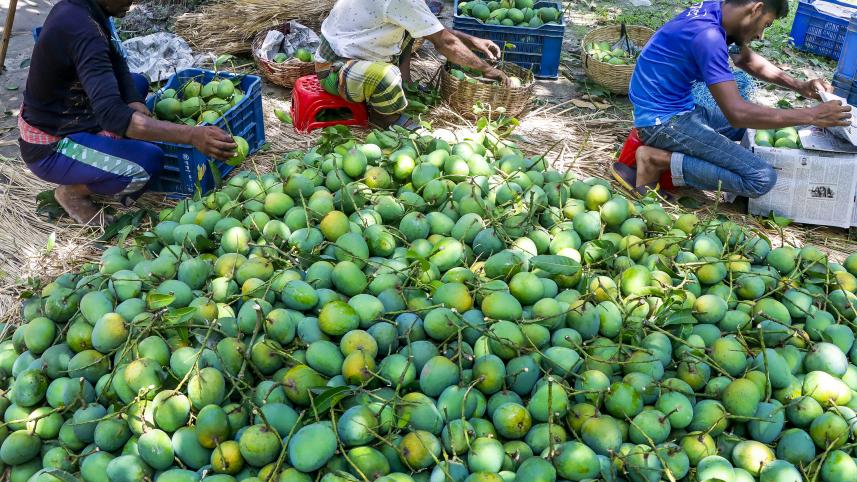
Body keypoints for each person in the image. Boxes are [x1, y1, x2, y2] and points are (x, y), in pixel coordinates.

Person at [19, 0, 237, 225]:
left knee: (138, 83)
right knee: (148, 162)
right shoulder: (83, 31)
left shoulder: (88, 9)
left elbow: (116, 60)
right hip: (51, 146)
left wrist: (133, 101)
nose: (132, 2)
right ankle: (73, 192)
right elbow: (112, 115)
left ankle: (107, 142)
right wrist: (192, 135)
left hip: (77, 112)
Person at [613, 0, 852, 198]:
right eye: (765, 24)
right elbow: (736, 114)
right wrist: (811, 114)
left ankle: (660, 155)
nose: (760, 34)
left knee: (768, 122)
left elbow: (745, 59)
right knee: (761, 178)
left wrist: (800, 86)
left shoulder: (718, 12)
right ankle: (655, 160)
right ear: (756, 8)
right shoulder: (708, 37)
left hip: (676, 110)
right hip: (663, 122)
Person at [315, 0, 510, 129]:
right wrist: (487, 69)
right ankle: (384, 118)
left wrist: (472, 40)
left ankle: (404, 85)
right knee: (387, 76)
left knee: (410, 31)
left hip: (355, 49)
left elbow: (430, 28)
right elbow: (446, 43)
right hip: (336, 68)